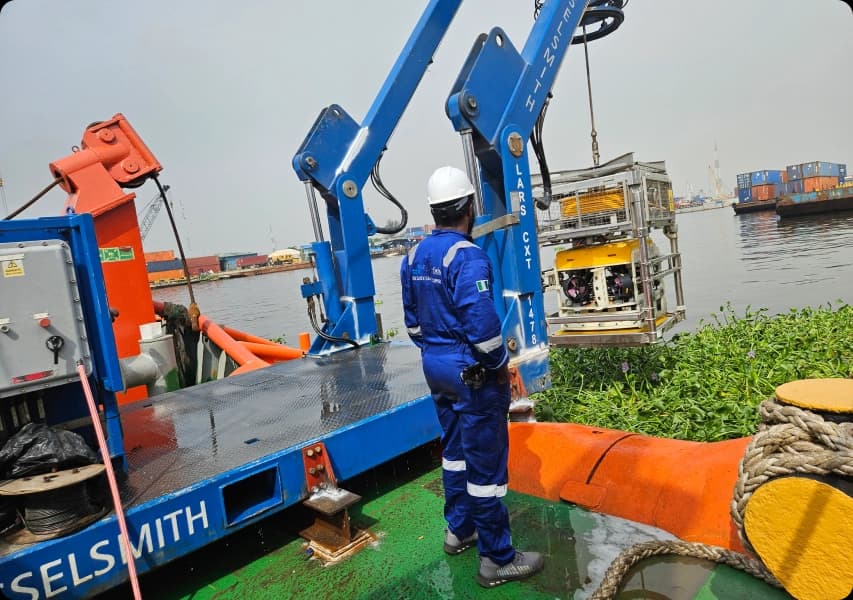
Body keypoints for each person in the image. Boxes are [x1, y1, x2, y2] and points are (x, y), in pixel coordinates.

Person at [400, 165, 544, 588]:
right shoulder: (467, 257)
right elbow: (484, 333)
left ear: (434, 210)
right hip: (471, 374)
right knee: (486, 470)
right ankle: (497, 558)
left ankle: (459, 530)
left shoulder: (412, 256)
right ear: (469, 207)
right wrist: (500, 368)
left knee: (454, 453)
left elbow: (412, 326)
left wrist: (439, 353)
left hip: (435, 369)